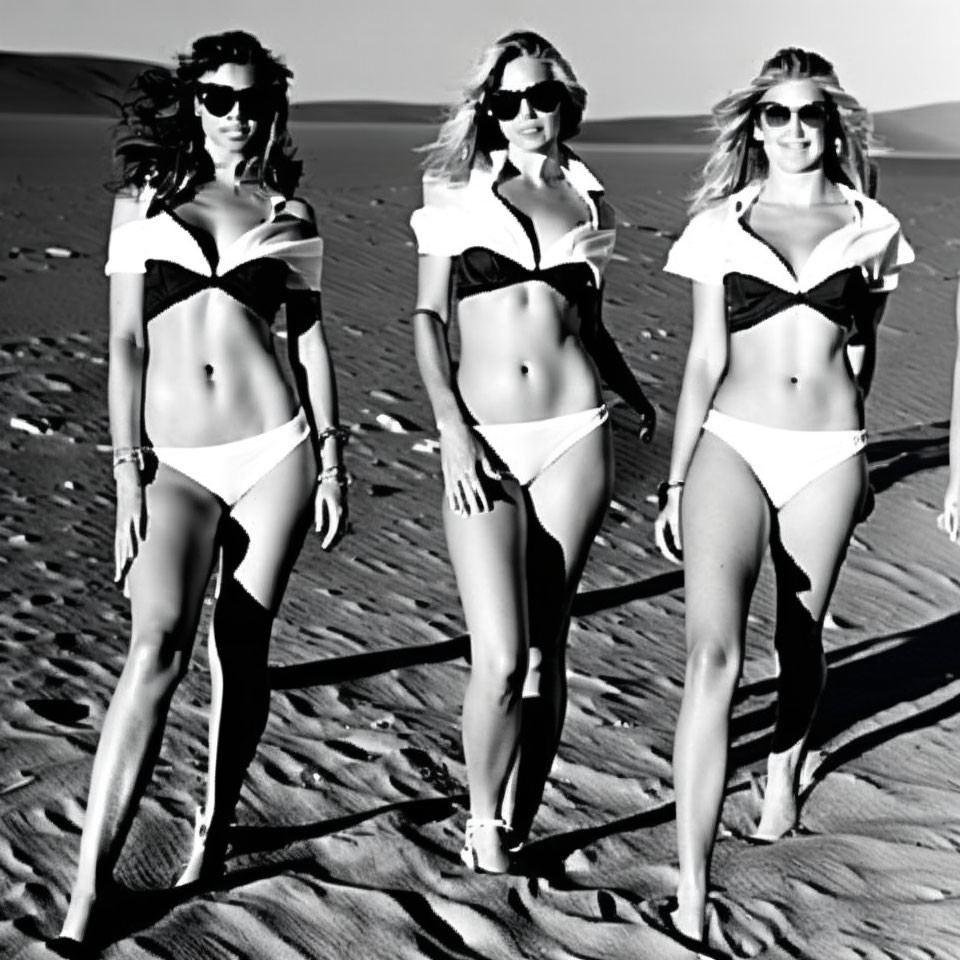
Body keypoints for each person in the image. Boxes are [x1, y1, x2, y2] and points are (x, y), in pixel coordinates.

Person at [57, 31, 347, 946]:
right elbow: (126, 346)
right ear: (193, 103)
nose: (237, 115)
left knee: (243, 650)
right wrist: (125, 474)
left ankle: (211, 834)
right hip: (174, 461)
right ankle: (88, 895)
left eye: (254, 101)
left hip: (276, 453)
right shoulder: (143, 203)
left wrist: (333, 459)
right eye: (219, 98)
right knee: (156, 649)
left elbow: (306, 339)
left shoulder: (291, 212)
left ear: (274, 110)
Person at [652, 47, 912, 950]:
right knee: (712, 658)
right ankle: (691, 890)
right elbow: (703, 360)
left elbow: (860, 349)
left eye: (810, 115)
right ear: (754, 125)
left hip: (828, 453)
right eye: (776, 114)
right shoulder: (720, 224)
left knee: (799, 636)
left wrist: (860, 454)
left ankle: (784, 767)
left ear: (832, 124)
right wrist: (679, 477)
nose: (794, 130)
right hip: (732, 441)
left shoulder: (873, 226)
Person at [410, 29, 656, 874]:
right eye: (506, 101)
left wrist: (632, 391)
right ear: (489, 108)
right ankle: (480, 823)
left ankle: (519, 819)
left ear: (567, 104)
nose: (524, 115)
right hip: (480, 436)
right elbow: (428, 320)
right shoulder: (454, 190)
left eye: (540, 98)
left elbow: (588, 320)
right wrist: (449, 429)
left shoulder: (594, 204)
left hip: (576, 433)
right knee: (501, 653)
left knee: (550, 648)